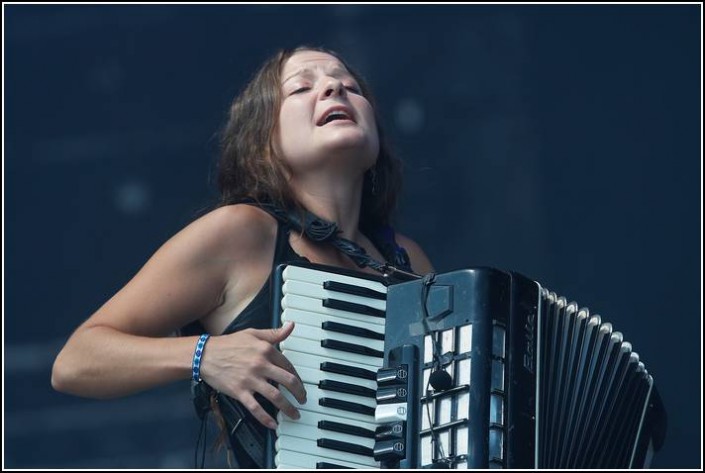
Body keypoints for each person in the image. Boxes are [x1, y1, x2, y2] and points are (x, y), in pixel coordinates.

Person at [51, 45, 434, 468]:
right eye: (301, 88)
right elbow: (76, 360)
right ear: (264, 142)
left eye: (349, 86)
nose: (332, 89)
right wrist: (205, 356)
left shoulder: (406, 260)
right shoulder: (242, 233)